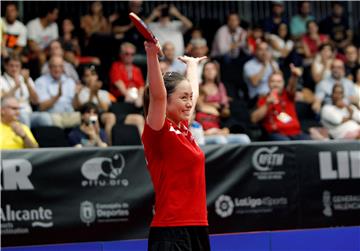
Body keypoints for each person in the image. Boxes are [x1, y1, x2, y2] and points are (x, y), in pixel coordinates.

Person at [142, 40, 210, 250]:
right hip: (170, 229)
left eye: (190, 98)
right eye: (183, 98)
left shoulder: (183, 127)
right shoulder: (157, 129)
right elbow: (157, 95)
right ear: (167, 101)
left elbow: (194, 94)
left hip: (198, 225)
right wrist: (152, 55)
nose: (190, 103)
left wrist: (191, 66)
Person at [251, 65, 311, 141]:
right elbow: (253, 119)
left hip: (296, 133)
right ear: (268, 83)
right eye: (273, 81)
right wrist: (267, 104)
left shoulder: (287, 95)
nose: (276, 84)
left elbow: (292, 87)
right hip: (276, 134)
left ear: (283, 83)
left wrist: (294, 76)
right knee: (285, 143)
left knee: (309, 143)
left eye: (279, 82)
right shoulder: (264, 99)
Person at [196, 61, 251, 145]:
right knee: (221, 140)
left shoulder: (220, 86)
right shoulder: (199, 87)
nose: (210, 71)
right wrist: (214, 106)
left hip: (219, 124)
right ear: (203, 72)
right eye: (207, 69)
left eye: (212, 69)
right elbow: (199, 106)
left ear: (216, 72)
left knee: (245, 138)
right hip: (205, 128)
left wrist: (224, 128)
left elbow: (225, 110)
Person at [0, 55, 53, 128]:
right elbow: (3, 100)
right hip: (12, 115)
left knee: (45, 117)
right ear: (5, 66)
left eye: (17, 66)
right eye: (11, 66)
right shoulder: (1, 80)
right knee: (23, 116)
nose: (14, 69)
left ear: (21, 67)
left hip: (29, 112)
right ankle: (25, 138)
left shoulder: (26, 78)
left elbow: (35, 101)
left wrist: (27, 82)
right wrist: (15, 87)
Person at [35, 55, 81, 128]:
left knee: (88, 118)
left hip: (70, 115)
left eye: (60, 66)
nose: (57, 69)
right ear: (49, 68)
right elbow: (41, 107)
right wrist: (57, 96)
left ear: (63, 68)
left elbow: (76, 107)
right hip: (52, 115)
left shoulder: (70, 81)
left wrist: (77, 94)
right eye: (54, 66)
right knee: (53, 120)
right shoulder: (41, 82)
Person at [243, 41, 279, 106]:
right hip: (257, 98)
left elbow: (279, 79)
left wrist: (270, 62)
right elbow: (255, 83)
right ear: (255, 51)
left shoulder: (273, 63)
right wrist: (264, 66)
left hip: (273, 95)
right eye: (261, 50)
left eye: (266, 49)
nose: (264, 52)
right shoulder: (249, 65)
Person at [109, 42, 145, 107]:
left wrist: (139, 97)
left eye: (132, 54)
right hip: (122, 98)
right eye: (127, 54)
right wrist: (127, 95)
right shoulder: (116, 66)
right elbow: (118, 83)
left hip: (136, 98)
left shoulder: (137, 69)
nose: (130, 56)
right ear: (121, 54)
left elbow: (141, 86)